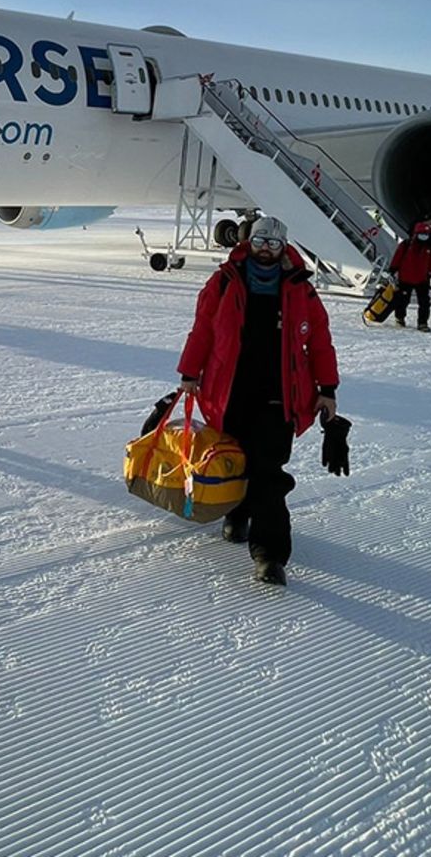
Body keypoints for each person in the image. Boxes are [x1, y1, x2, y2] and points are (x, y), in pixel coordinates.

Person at [175, 214, 340, 586]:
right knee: (232, 459)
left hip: (280, 395)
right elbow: (202, 328)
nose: (266, 249)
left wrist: (327, 388)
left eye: (274, 243)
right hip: (230, 390)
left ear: (284, 247)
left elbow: (319, 342)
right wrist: (189, 374)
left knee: (268, 472)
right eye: (260, 241)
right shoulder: (223, 281)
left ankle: (270, 555)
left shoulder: (300, 287)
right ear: (249, 242)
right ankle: (237, 513)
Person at [387, 219, 431, 331]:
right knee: (402, 301)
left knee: (424, 303)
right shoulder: (406, 245)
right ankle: (400, 317)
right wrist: (392, 271)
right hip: (405, 278)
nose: (424, 237)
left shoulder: (429, 248)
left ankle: (422, 323)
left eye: (426, 234)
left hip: (422, 279)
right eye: (422, 234)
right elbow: (397, 258)